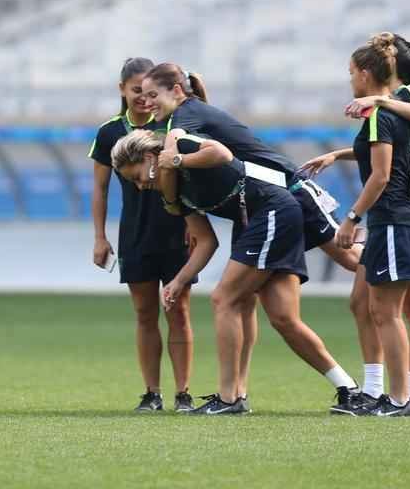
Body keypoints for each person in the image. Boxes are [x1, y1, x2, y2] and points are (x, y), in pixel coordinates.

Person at [139, 63, 363, 405]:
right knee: (277, 315)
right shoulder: (182, 127)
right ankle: (346, 389)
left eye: (153, 94)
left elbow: (211, 153)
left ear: (177, 91)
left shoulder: (183, 121)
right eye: (141, 95)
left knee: (349, 258)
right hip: (263, 206)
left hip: (289, 191)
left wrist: (175, 161)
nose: (146, 102)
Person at [111, 128, 358, 415]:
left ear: (150, 156)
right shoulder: (172, 195)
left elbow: (221, 153)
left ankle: (230, 398)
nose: (140, 186)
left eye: (137, 176)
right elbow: (206, 242)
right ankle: (348, 388)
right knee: (284, 318)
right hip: (255, 220)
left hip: (273, 209)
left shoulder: (182, 147)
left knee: (224, 299)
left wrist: (176, 159)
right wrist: (178, 282)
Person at [314, 37, 410, 417]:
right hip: (390, 222)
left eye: (351, 74)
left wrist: (351, 219)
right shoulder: (389, 113)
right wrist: (336, 155)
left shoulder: (382, 113)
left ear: (365, 74)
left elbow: (379, 177)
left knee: (388, 313)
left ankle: (399, 400)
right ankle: (385, 395)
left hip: (395, 219)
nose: (350, 82)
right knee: (371, 307)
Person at [89, 58, 197, 413]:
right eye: (134, 90)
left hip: (177, 230)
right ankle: (152, 393)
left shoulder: (170, 125)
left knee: (178, 310)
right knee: (144, 313)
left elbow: (194, 179)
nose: (141, 98)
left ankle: (183, 393)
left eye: (146, 91)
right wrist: (100, 237)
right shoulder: (109, 133)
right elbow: (101, 189)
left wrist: (196, 225)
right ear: (121, 89)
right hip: (135, 232)